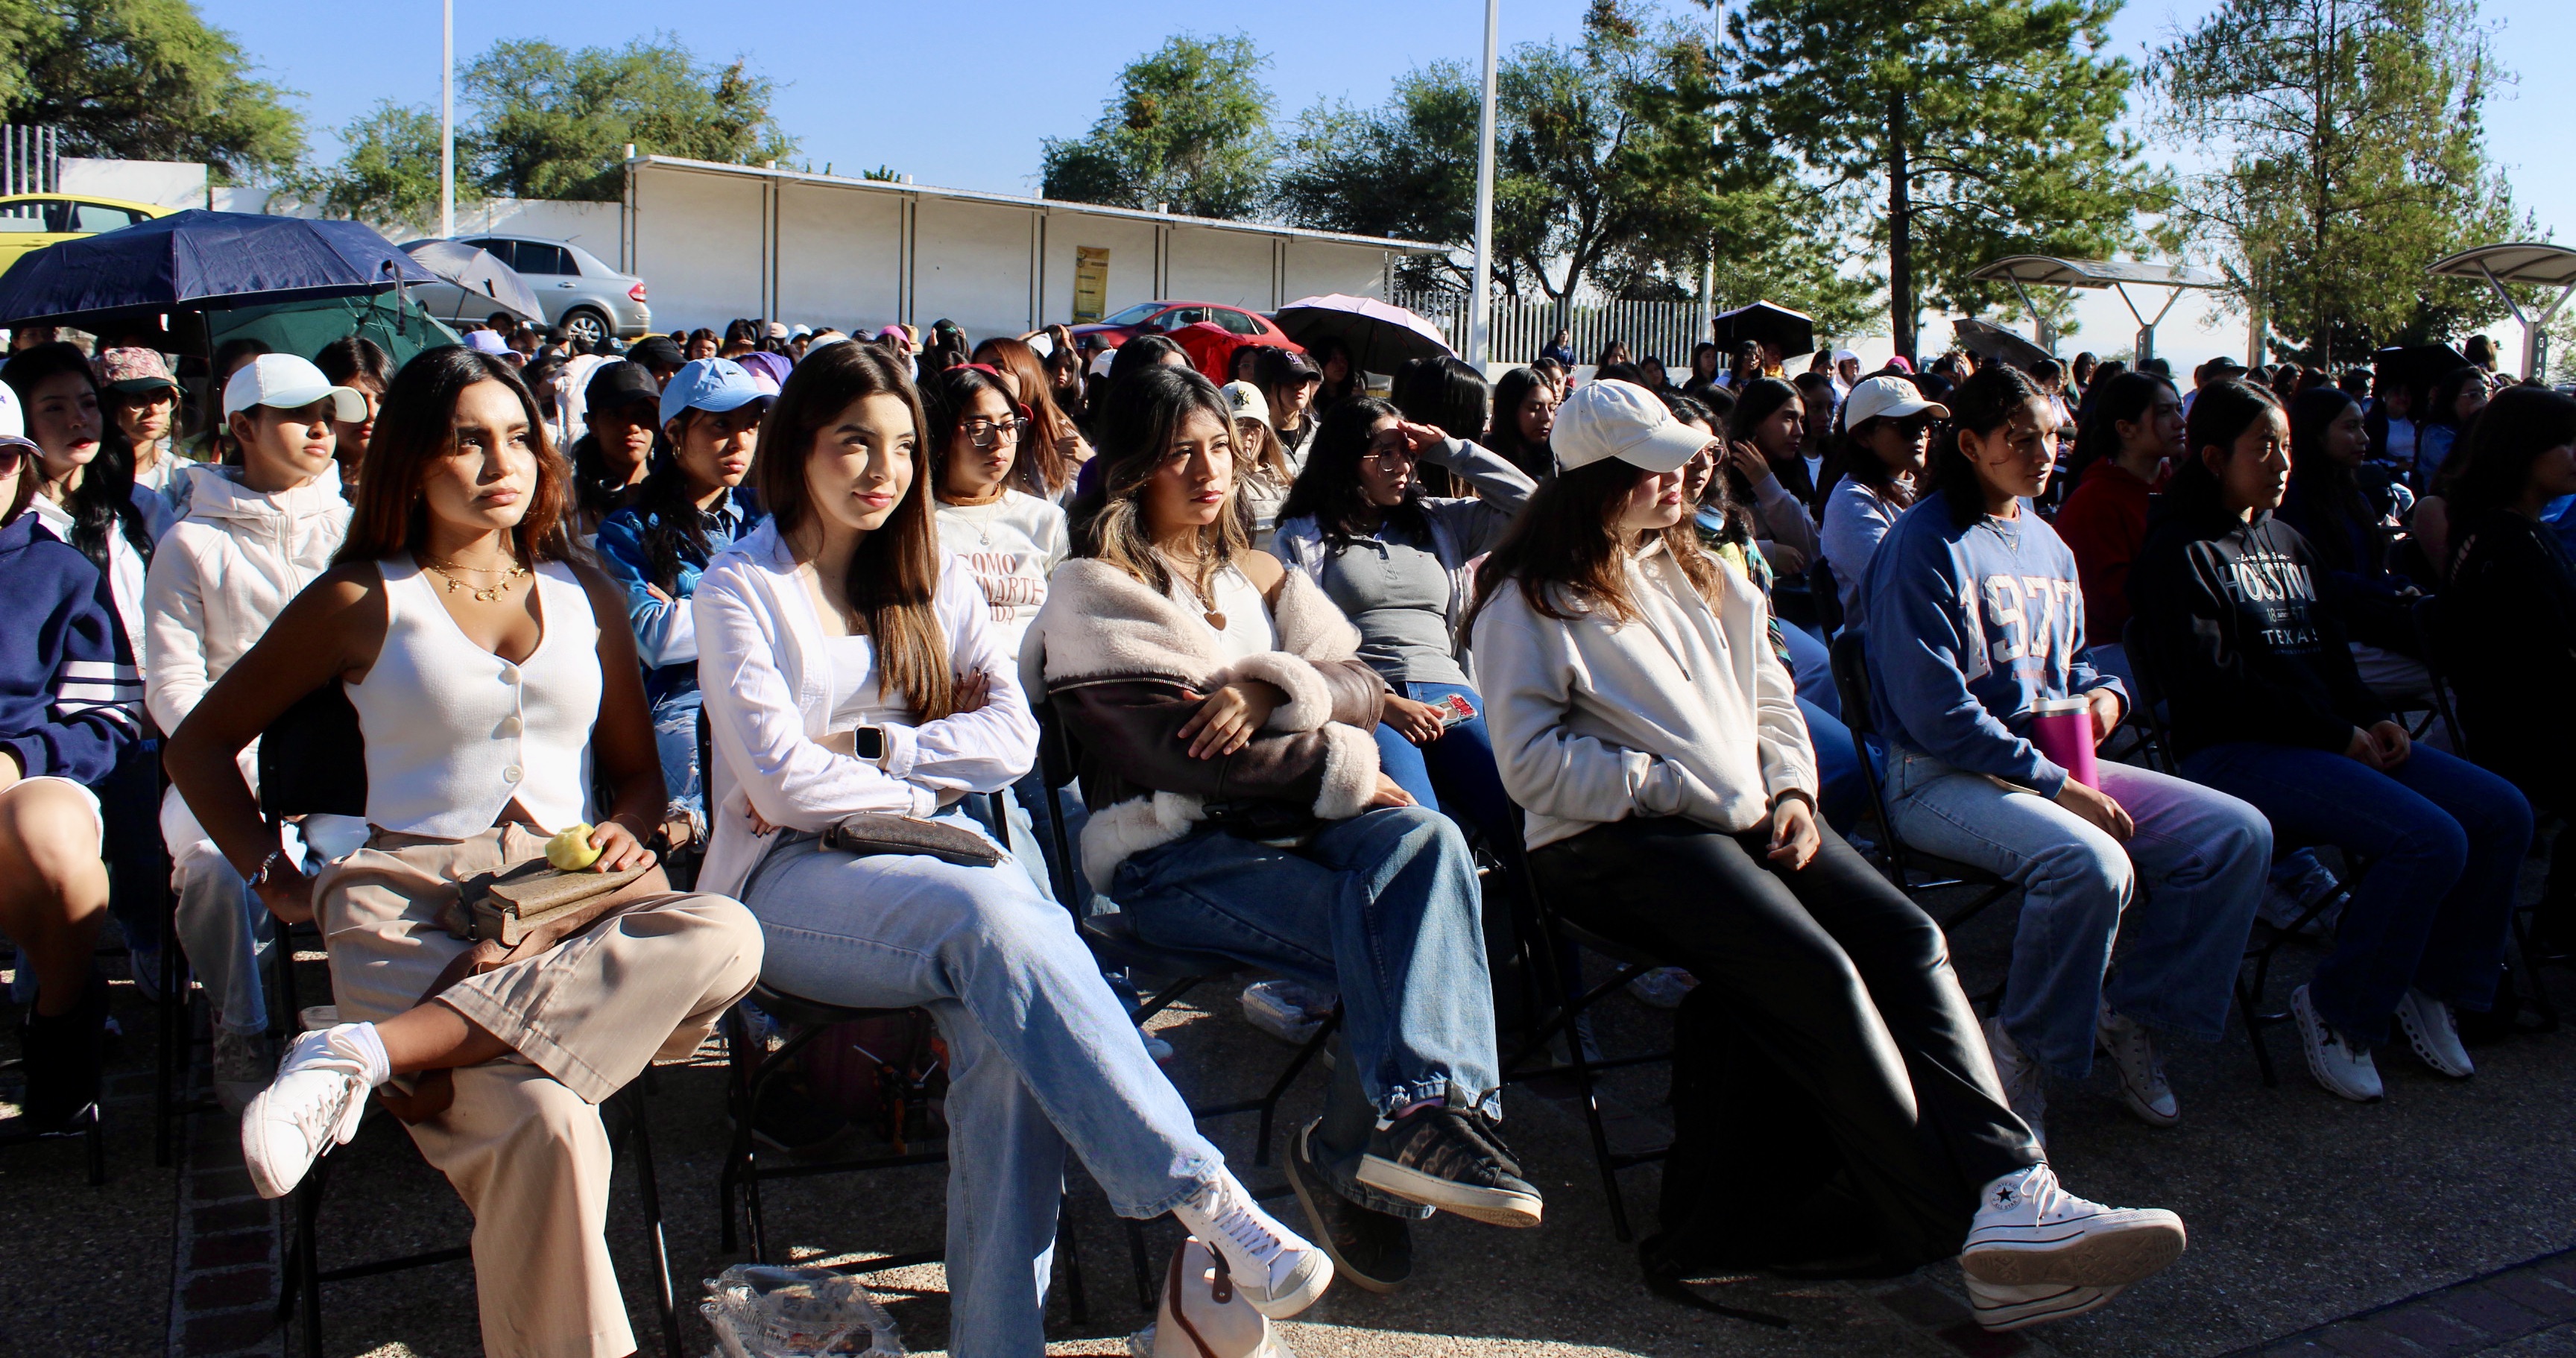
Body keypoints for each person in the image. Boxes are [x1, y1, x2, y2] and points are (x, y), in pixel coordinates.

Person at [1469, 377, 2182, 1330]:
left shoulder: (1709, 574)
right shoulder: (1528, 598)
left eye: (1684, 460)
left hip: (1738, 816)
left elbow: (1776, 705)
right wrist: (1678, 785)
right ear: (1596, 479)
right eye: (1653, 466)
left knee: (1909, 936)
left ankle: (2015, 1186)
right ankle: (1958, 1225)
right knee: (1818, 970)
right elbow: (1531, 766)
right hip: (1604, 843)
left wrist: (1794, 792)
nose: (1680, 478)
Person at [694, 342, 1329, 1351]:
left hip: (935, 861)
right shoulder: (741, 587)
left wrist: (876, 746)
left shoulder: (928, 574)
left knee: (1005, 1024)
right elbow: (778, 784)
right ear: (798, 448)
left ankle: (997, 1342)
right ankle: (1203, 1194)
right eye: (854, 443)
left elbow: (1012, 740)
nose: (884, 470)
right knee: (1001, 913)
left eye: (902, 446)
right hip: (790, 878)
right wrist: (926, 769)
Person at [168, 345, 766, 1358]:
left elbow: (636, 776)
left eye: (520, 437)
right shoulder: (362, 597)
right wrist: (276, 878)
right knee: (552, 1128)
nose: (504, 462)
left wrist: (628, 824)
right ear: (411, 460)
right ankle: (413, 1043)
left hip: (570, 897)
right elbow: (198, 744)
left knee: (729, 930)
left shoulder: (583, 593)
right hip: (407, 900)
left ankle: (368, 1053)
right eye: (468, 441)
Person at [1029, 364, 1541, 1295]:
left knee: (1430, 843)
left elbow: (1361, 678)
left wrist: (1269, 686)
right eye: (1179, 453)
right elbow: (1177, 755)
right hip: (1168, 857)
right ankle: (1357, 1152)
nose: (1208, 470)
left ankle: (1418, 1118)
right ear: (1134, 467)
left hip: (1287, 833)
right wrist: (1340, 761)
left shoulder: (1256, 575)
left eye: (1220, 447)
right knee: (1396, 923)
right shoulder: (1092, 588)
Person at [1863, 363, 2271, 1140]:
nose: (2042, 452)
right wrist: (2059, 787)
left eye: (2052, 435)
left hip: (2054, 763)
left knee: (2236, 835)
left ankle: (2132, 1011)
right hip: (1941, 775)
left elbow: (2076, 665)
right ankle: (2022, 1047)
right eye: (2020, 438)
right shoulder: (1923, 544)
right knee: (2091, 864)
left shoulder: (2047, 542)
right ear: (1971, 445)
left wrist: (2108, 695)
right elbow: (1935, 713)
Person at [2130, 377, 2529, 1103]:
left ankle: (2427, 982)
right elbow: (2215, 687)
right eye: (2264, 447)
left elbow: (2336, 664)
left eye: (2286, 445)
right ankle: (2341, 1006)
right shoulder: (2179, 551)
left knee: (2501, 811)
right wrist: (2336, 732)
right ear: (2215, 458)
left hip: (2325, 743)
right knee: (2430, 839)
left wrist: (2375, 717)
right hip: (2236, 754)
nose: (2283, 462)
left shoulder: (2290, 543)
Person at [145, 354, 362, 1109]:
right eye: (299, 415)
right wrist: (235, 753)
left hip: (347, 768)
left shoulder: (356, 529)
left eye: (328, 415)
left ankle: (379, 1030)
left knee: (393, 855)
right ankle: (239, 1023)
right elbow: (172, 681)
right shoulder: (189, 544)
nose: (321, 430)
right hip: (226, 767)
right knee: (213, 866)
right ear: (243, 426)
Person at [1270, 395, 1534, 851]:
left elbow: (1533, 506)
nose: (1404, 467)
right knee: (1422, 826)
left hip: (1449, 695)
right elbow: (1300, 639)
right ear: (1346, 459)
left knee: (1524, 813)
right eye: (1385, 454)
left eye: (1408, 454)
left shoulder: (1438, 521)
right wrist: (1386, 702)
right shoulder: (1301, 536)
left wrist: (1451, 450)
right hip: (1369, 703)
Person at [0, 382, 137, 1137]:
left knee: (47, 830)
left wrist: (16, 758)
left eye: (0, 458)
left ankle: (59, 1011)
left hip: (29, 778)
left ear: (22, 466)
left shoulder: (62, 570)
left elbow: (109, 715)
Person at [593, 358, 766, 839]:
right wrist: (764, 603)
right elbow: (656, 640)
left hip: (776, 686)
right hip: (684, 704)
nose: (740, 442)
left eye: (750, 425)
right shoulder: (629, 531)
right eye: (720, 426)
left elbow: (810, 608)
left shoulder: (770, 515)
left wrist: (690, 602)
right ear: (674, 433)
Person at [2437, 385, 2576, 960]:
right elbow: (2539, 666)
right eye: (2565, 443)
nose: (2575, 455)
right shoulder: (2505, 542)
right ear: (2524, 450)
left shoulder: (2520, 530)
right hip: (2523, 737)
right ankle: (2562, 927)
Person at [2276, 386, 2428, 706]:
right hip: (2331, 640)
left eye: (2362, 426)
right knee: (2461, 672)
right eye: (2350, 427)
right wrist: (2385, 593)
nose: (2364, 438)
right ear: (2315, 433)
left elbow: (2371, 571)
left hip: (2371, 625)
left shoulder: (2354, 498)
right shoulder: (2290, 501)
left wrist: (2400, 587)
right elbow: (2313, 580)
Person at [2053, 370, 2183, 688]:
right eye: (2164, 412)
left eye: (2178, 409)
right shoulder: (2095, 501)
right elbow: (2111, 605)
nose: (2180, 422)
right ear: (2125, 428)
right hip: (2106, 650)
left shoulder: (2178, 489)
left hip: (2169, 641)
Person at [1819, 376, 1945, 634]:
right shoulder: (1851, 501)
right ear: (1864, 436)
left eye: (1925, 423)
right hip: (1893, 642)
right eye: (1906, 425)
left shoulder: (1932, 490)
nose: (1920, 434)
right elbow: (1899, 583)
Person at [1719, 377, 1823, 572]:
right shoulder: (1720, 472)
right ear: (1756, 421)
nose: (1799, 431)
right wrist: (1765, 552)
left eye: (1801, 420)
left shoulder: (1795, 471)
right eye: (1788, 418)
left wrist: (1767, 485)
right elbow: (1708, 545)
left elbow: (1812, 553)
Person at [564, 360, 667, 543]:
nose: (632, 427)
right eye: (614, 414)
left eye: (642, 414)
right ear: (592, 424)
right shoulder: (566, 500)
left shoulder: (679, 492)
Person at [972, 335, 1085, 499]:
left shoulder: (1058, 434)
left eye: (998, 367)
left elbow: (1079, 503)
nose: (989, 376)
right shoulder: (970, 434)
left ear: (1024, 372)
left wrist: (1092, 464)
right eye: (979, 370)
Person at [94, 348, 186, 511]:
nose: (154, 410)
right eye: (138, 399)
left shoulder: (186, 476)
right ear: (107, 404)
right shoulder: (85, 475)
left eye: (163, 398)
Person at [315, 336, 396, 505]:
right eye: (355, 399)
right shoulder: (294, 485)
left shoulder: (408, 488)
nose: (372, 413)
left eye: (381, 400)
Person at [1220, 381, 1298, 549]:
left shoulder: (1288, 471)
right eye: (1238, 426)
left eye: (1254, 426)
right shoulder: (1218, 483)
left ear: (1266, 431)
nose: (1247, 435)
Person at [2411, 365, 2490, 493]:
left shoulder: (2479, 430)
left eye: (2484, 394)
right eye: (2473, 395)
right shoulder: (2436, 434)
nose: (2482, 400)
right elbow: (2461, 468)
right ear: (2452, 400)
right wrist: (2475, 420)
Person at [1487, 366, 1559, 481]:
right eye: (1534, 408)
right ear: (1509, 410)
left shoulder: (1560, 459)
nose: (1546, 417)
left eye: (1551, 409)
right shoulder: (1486, 461)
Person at [1257, 347, 1325, 465]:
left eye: (1304, 379)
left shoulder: (1323, 434)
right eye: (1289, 380)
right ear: (1267, 389)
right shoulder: (1256, 440)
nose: (1299, 386)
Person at [1310, 335, 1363, 411]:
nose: (1342, 364)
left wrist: (1363, 403)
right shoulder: (1308, 396)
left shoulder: (1354, 395)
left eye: (1345, 358)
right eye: (1334, 358)